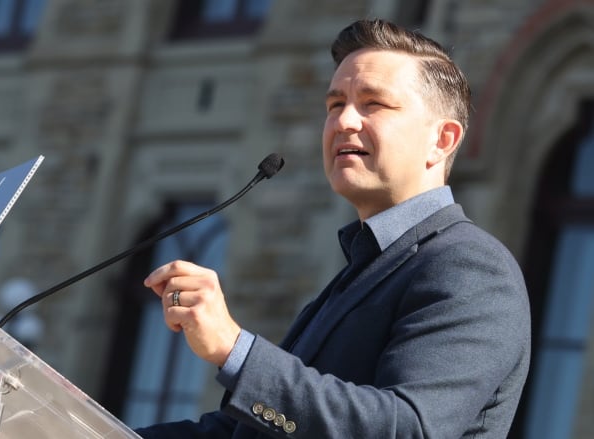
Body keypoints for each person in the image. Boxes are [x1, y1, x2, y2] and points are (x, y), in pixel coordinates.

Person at [135, 18, 530, 439]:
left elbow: (406, 428)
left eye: (373, 103)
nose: (344, 121)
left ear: (442, 140)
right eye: (335, 104)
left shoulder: (471, 267)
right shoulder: (363, 268)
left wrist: (233, 348)